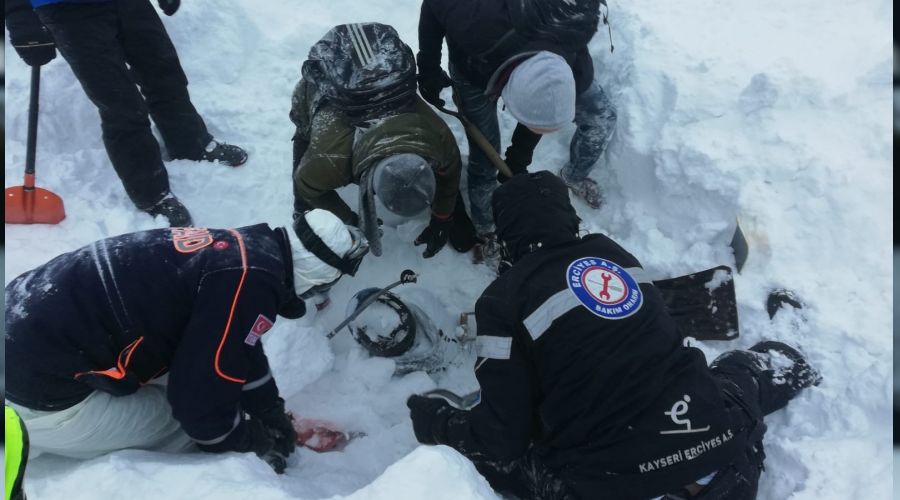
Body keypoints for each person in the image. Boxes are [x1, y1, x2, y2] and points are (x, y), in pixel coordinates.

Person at [406, 172, 821, 499]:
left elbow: (501, 438)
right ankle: (788, 356)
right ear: (569, 219)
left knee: (506, 463)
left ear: (507, 237)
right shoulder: (612, 255)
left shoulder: (501, 301)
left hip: (613, 484)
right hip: (727, 468)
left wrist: (439, 423)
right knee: (739, 372)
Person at [4, 209, 368, 473]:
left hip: (19, 320)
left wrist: (269, 410)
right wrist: (251, 440)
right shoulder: (250, 282)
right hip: (33, 395)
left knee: (210, 384)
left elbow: (237, 343)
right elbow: (199, 411)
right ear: (315, 278)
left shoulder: (244, 249)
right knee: (188, 424)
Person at [4, 0, 249, 227]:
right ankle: (151, 192)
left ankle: (191, 143)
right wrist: (19, 16)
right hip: (69, 12)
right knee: (120, 105)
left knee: (166, 76)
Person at [416, 0, 618, 258]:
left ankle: (574, 175)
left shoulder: (577, 22)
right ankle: (488, 228)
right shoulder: (473, 24)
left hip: (542, 32)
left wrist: (519, 155)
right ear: (507, 94)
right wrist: (429, 67)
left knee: (601, 115)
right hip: (474, 68)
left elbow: (542, 109)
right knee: (484, 156)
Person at [292, 22, 477, 258]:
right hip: (323, 91)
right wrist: (350, 219)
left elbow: (449, 175)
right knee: (305, 154)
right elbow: (307, 186)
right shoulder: (329, 161)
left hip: (385, 86)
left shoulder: (439, 139)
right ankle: (301, 207)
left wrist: (443, 217)